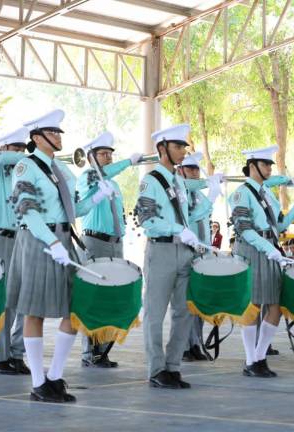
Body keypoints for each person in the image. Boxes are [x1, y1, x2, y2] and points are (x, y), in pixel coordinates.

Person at [6, 109, 93, 403]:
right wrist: (51, 242)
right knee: (35, 310)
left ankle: (55, 376)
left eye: (58, 133)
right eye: (52, 133)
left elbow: (74, 210)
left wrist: (97, 197)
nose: (58, 137)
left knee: (74, 309)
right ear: (36, 137)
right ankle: (38, 382)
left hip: (63, 239)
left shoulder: (64, 170)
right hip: (38, 241)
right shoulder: (25, 167)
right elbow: (26, 211)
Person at [229, 145, 294, 377]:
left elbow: (278, 226)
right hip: (252, 250)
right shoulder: (241, 193)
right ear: (252, 167)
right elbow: (244, 229)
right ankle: (252, 360)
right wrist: (268, 249)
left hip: (270, 249)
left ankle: (260, 357)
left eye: (271, 164)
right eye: (265, 164)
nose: (270, 169)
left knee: (274, 305)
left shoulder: (267, 194)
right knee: (253, 305)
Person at [134, 124, 200, 389]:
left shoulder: (180, 181)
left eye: (184, 146)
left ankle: (173, 367)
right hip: (160, 250)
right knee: (155, 312)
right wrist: (177, 229)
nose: (183, 151)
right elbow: (147, 220)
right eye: (177, 146)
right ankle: (156, 369)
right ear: (162, 149)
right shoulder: (150, 180)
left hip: (184, 251)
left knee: (184, 312)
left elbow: (190, 214)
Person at [76, 131, 144, 368]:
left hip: (115, 242)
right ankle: (89, 352)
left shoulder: (113, 183)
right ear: (91, 157)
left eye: (110, 154)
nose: (108, 157)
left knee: (111, 296)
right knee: (94, 296)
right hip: (95, 241)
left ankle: (102, 351)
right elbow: (98, 176)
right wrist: (128, 163)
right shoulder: (87, 177)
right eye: (103, 154)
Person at [0, 126, 29, 375]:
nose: (21, 153)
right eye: (16, 148)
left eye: (23, 148)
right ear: (4, 148)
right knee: (0, 300)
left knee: (21, 299)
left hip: (21, 236)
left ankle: (16, 354)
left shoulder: (23, 172)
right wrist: (30, 156)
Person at [177, 151, 222, 362]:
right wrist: (210, 192)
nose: (195, 173)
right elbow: (190, 218)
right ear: (180, 171)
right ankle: (185, 346)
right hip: (186, 251)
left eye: (196, 169)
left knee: (199, 301)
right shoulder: (180, 192)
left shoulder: (201, 195)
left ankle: (196, 342)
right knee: (186, 302)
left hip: (202, 252)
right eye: (190, 169)